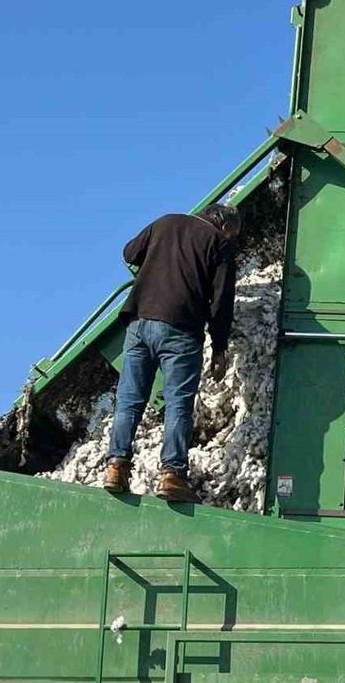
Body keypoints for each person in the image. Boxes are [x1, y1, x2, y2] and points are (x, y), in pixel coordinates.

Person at [103, 204, 241, 500]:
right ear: (224, 225)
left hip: (140, 322)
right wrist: (219, 348)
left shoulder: (165, 222)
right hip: (181, 330)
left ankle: (116, 467)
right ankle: (172, 476)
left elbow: (130, 252)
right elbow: (221, 301)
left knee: (129, 401)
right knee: (178, 403)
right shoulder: (219, 243)